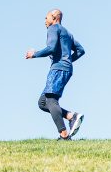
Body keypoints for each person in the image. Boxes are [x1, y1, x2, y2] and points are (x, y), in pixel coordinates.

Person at [26, 9, 85, 140]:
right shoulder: (67, 32)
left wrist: (34, 54)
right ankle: (71, 116)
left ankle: (64, 136)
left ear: (54, 17)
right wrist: (68, 60)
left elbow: (51, 48)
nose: (44, 21)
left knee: (51, 100)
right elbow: (80, 50)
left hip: (58, 69)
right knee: (42, 102)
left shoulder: (53, 28)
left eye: (46, 18)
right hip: (65, 69)